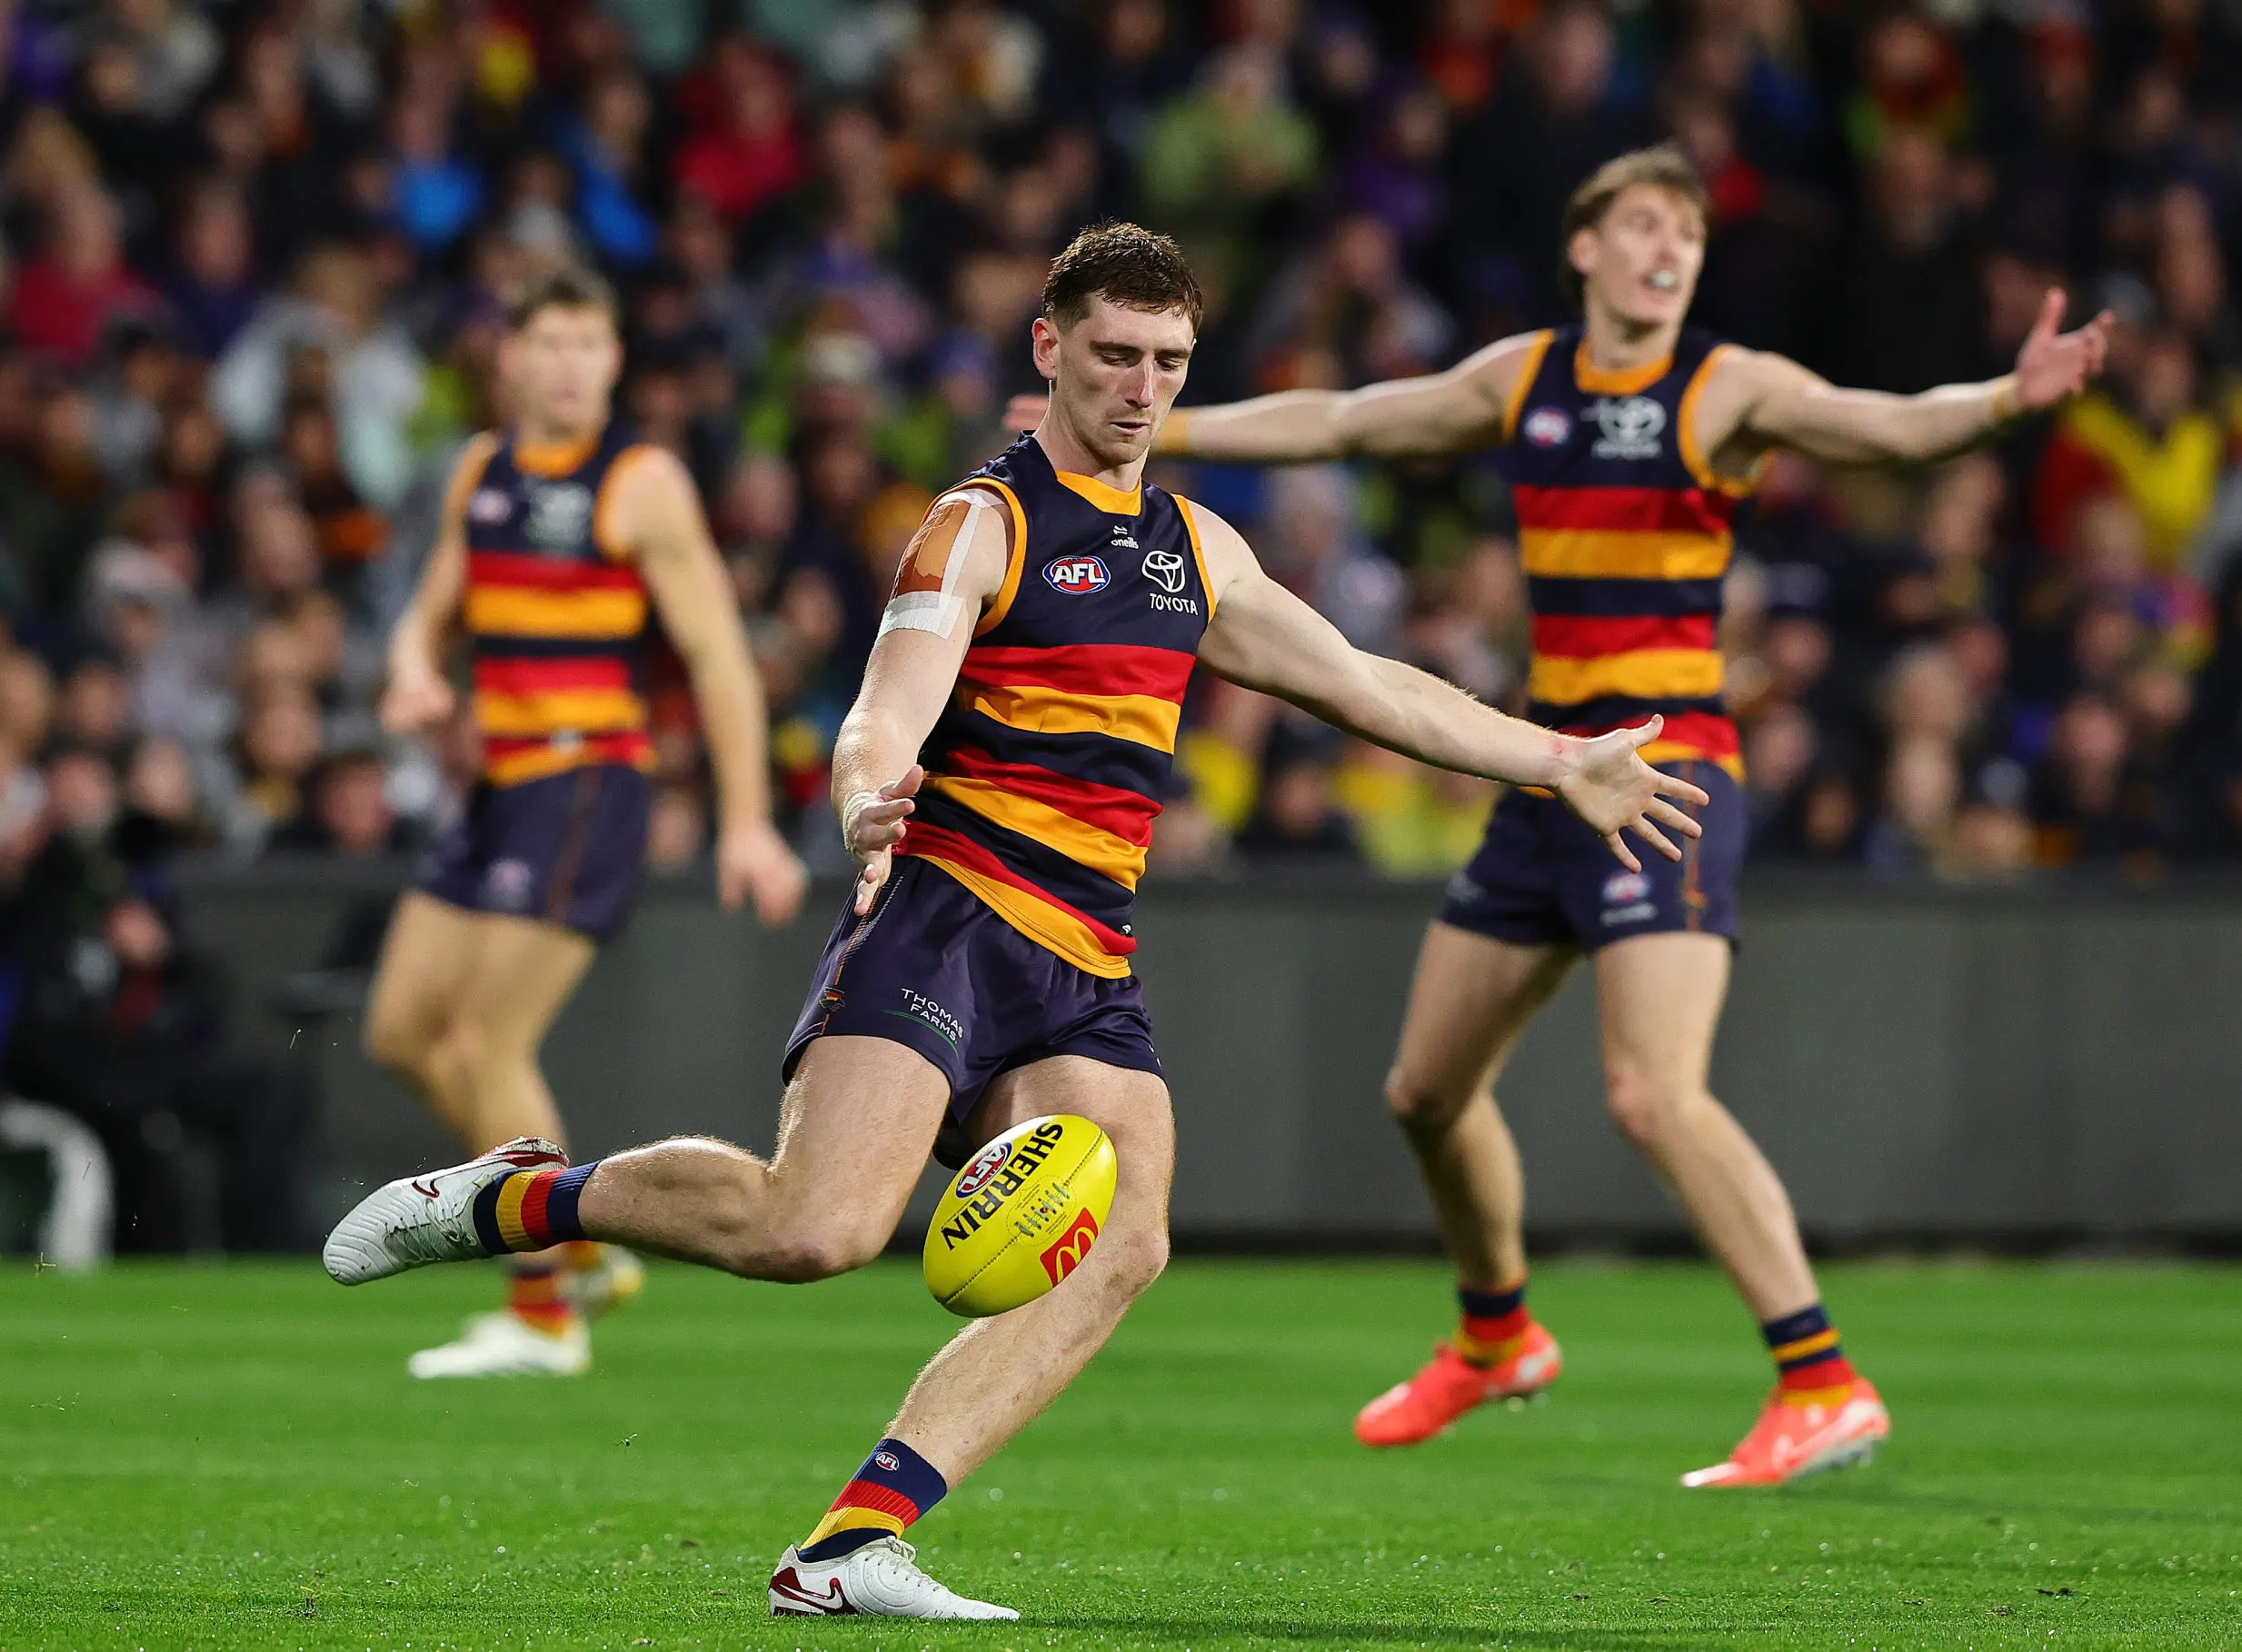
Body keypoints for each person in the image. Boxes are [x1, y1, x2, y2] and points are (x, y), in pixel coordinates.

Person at [325, 223, 1705, 1619]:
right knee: (814, 1231)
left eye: (1169, 360)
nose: (1142, 386)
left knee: (1128, 1238)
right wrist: (866, 793)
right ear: (1049, 346)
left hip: (1086, 960)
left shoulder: (1195, 548)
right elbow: (887, 703)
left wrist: (1558, 758)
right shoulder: (983, 521)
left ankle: (849, 1546)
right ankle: (515, 1197)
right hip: (948, 918)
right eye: (1114, 353)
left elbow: (1367, 682)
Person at [1007, 146, 2111, 1487]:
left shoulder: (1725, 386)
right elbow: (1350, 419)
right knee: (1425, 1091)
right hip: (1552, 774)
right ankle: (1496, 1335)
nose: (1669, 249)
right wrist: (1158, 429)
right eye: (1643, 224)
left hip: (1669, 775)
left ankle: (1823, 1380)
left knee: (1652, 1092)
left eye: (1687, 233)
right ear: (1585, 249)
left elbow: (1883, 426)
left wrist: (2003, 399)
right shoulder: (1524, 377)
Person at [362, 266, 807, 1379]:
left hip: (587, 785)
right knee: (403, 1034)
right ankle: (578, 1246)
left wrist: (747, 822)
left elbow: (718, 656)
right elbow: (426, 617)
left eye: (589, 345)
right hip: (499, 789)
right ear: (509, 359)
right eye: (550, 343)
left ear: (614, 362)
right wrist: (413, 673)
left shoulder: (640, 482)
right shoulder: (483, 469)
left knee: (487, 1042)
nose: (570, 365)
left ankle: (544, 1310)